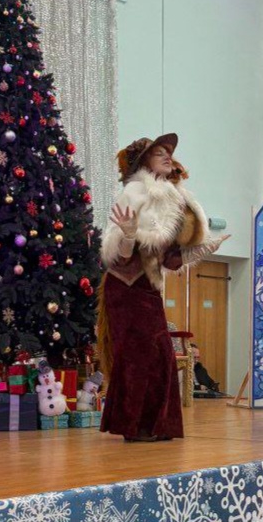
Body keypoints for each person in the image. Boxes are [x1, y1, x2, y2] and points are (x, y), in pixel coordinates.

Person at [98, 134, 228, 441]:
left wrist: (205, 248)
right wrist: (130, 234)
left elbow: (170, 260)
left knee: (160, 355)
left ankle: (157, 425)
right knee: (137, 356)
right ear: (144, 162)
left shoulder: (172, 201)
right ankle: (135, 427)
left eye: (169, 152)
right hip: (125, 287)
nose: (168, 156)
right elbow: (119, 255)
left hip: (148, 287)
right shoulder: (134, 192)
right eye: (159, 153)